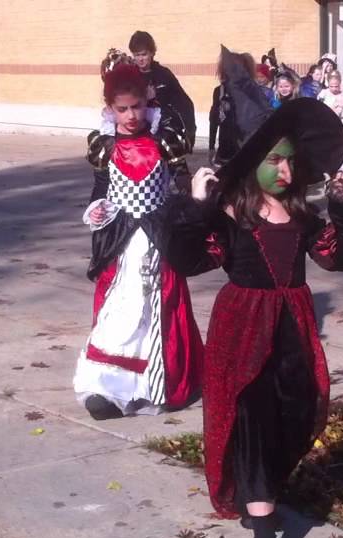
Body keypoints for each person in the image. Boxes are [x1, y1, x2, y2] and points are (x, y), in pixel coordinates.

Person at [167, 97, 343, 538]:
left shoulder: (303, 219)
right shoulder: (231, 217)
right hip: (242, 330)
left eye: (289, 160)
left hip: (293, 328)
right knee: (252, 420)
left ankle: (258, 491)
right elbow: (185, 259)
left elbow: (339, 259)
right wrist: (196, 206)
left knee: (294, 413)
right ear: (253, 165)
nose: (284, 169)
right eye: (273, 160)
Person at [74, 53, 203, 421]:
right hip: (122, 244)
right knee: (121, 310)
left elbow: (180, 183)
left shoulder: (166, 142)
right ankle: (106, 387)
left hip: (159, 240)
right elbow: (100, 190)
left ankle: (160, 385)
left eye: (137, 107)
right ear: (110, 108)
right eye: (123, 109)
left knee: (159, 309)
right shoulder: (105, 146)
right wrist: (97, 210)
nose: (131, 116)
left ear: (148, 101)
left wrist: (191, 199)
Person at [130, 31, 196, 192]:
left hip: (167, 132)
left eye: (144, 54)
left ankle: (190, 202)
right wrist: (144, 98)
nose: (140, 59)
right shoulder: (129, 75)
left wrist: (189, 133)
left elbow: (184, 103)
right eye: (136, 55)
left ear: (152, 52)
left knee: (181, 176)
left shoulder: (163, 74)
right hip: (140, 134)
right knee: (146, 183)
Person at [320, 71, 343, 173]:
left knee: (341, 147)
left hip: (338, 122)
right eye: (332, 86)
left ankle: (342, 169)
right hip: (326, 122)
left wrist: (331, 109)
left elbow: (338, 110)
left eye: (336, 86)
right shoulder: (324, 93)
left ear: (340, 84)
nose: (334, 88)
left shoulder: (342, 95)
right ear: (328, 84)